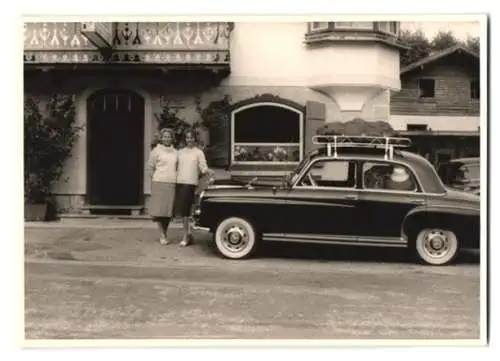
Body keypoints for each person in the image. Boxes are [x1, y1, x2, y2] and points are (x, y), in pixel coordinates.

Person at [175, 130, 214, 247]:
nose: (189, 140)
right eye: (187, 138)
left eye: (191, 138)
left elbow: (203, 167)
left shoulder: (199, 152)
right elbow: (175, 166)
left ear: (194, 139)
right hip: (180, 183)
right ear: (185, 139)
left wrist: (208, 172)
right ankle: (188, 234)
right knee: (183, 212)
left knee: (188, 212)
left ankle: (186, 236)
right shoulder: (180, 152)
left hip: (191, 184)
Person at [147, 128, 178, 245]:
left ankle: (165, 232)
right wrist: (154, 178)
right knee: (159, 212)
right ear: (161, 138)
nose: (167, 139)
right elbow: (150, 167)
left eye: (169, 136)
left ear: (172, 138)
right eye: (165, 136)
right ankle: (162, 235)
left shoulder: (176, 152)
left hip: (171, 183)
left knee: (168, 212)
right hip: (159, 183)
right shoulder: (156, 151)